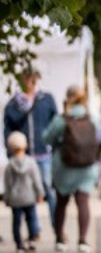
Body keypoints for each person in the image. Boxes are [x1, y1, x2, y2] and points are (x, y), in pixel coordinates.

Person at [43, 86, 101, 252]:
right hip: (87, 166)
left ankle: (60, 238)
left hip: (64, 165)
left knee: (61, 202)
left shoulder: (62, 119)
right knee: (83, 202)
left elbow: (46, 137)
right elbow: (100, 133)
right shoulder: (91, 117)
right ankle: (82, 240)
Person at [4, 68, 58, 223]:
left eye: (32, 80)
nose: (29, 84)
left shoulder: (46, 99)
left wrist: (53, 146)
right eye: (26, 80)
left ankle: (57, 227)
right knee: (27, 194)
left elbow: (55, 124)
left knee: (47, 188)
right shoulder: (15, 103)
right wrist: (11, 151)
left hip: (44, 153)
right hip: (23, 155)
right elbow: (8, 128)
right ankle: (34, 230)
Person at [4, 131, 45, 253]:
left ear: (10, 148)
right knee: (31, 219)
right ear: (26, 146)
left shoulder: (10, 165)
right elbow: (37, 180)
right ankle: (32, 239)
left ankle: (19, 245)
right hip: (29, 197)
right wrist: (40, 193)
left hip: (15, 199)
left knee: (16, 222)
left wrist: (7, 199)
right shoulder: (31, 163)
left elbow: (8, 185)